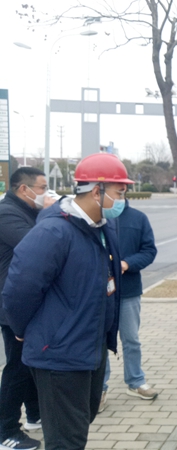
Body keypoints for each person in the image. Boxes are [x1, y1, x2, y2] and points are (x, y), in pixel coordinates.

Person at [2, 153, 132, 450]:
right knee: (66, 440)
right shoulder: (53, 232)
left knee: (80, 423)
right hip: (59, 354)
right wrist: (22, 329)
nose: (122, 200)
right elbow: (19, 290)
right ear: (97, 191)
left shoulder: (102, 228)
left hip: (91, 348)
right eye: (120, 192)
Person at [0, 168, 55, 450]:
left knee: (30, 362)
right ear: (24, 189)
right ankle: (6, 430)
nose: (46, 193)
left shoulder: (26, 210)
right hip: (13, 305)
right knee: (17, 368)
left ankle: (34, 415)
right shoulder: (6, 213)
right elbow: (38, 244)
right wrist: (48, 212)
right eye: (43, 187)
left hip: (28, 301)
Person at [100, 199, 158, 412]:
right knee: (99, 341)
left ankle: (135, 381)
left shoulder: (138, 218)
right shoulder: (93, 217)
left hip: (128, 290)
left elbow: (149, 251)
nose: (117, 195)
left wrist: (128, 263)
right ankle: (99, 388)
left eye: (121, 189)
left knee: (131, 339)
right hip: (98, 293)